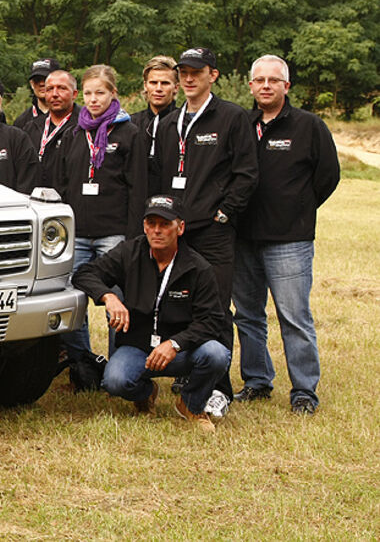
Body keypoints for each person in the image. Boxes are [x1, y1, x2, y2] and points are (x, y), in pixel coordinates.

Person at [152, 47, 258, 417]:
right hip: (176, 232)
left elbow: (247, 173)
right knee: (176, 304)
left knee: (214, 308)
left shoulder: (231, 117)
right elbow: (162, 175)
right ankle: (190, 376)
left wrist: (225, 214)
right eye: (184, 71)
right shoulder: (169, 123)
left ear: (213, 74)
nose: (189, 78)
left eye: (197, 71)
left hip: (213, 232)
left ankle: (218, 389)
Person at [232, 55, 339, 415]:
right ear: (250, 86)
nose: (265, 85)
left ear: (286, 86)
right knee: (247, 315)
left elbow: (328, 177)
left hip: (289, 240)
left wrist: (298, 209)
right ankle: (257, 381)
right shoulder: (240, 124)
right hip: (243, 237)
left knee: (294, 317)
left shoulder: (309, 126)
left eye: (273, 80)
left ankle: (304, 391)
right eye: (259, 80)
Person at [73, 195, 230, 432]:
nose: (157, 231)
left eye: (165, 224)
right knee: (114, 381)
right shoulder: (129, 252)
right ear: (144, 226)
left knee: (217, 354)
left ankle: (191, 404)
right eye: (151, 223)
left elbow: (212, 321)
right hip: (138, 347)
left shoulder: (199, 268)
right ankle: (145, 394)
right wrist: (109, 296)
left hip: (181, 351)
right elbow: (84, 274)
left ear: (180, 228)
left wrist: (175, 343)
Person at [55, 65, 147, 385]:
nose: (94, 100)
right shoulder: (74, 133)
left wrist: (134, 238)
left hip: (115, 233)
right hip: (78, 233)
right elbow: (64, 183)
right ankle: (84, 364)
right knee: (71, 298)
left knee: (117, 302)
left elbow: (138, 188)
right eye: (89, 93)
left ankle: (118, 369)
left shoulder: (130, 133)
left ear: (113, 94)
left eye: (101, 93)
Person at [24, 70, 79, 189]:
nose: (55, 94)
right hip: (36, 200)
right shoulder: (31, 127)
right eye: (49, 89)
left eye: (61, 88)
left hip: (70, 203)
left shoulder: (84, 127)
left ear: (74, 94)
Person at [129, 55, 179, 165]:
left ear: (176, 87)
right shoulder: (131, 123)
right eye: (153, 83)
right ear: (145, 85)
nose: (158, 89)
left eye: (165, 83)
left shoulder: (184, 123)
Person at [11, 58, 60, 130]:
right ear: (32, 84)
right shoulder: (22, 122)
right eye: (37, 80)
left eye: (46, 79)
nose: (41, 83)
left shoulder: (74, 117)